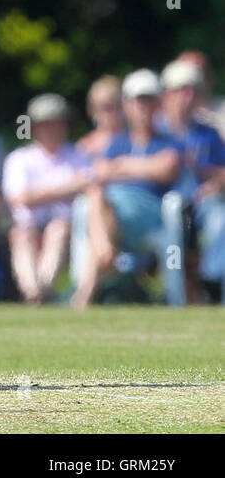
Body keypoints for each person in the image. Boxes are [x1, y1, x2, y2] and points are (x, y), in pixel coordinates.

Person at [72, 70, 182, 309]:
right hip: (112, 210)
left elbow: (168, 168)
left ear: (158, 103)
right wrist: (144, 167)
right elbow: (99, 173)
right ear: (128, 106)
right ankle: (103, 253)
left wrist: (121, 166)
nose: (142, 106)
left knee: (98, 203)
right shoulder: (118, 142)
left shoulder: (169, 141)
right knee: (96, 196)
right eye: (137, 100)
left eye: (148, 99)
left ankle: (86, 290)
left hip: (150, 214)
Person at [0, 94, 89, 304]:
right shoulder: (19, 158)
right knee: (23, 235)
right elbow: (18, 198)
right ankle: (33, 291)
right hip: (27, 225)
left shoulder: (78, 155)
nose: (51, 129)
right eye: (45, 124)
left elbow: (86, 186)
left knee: (58, 230)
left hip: (67, 225)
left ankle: (43, 288)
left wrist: (39, 195)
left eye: (56, 123)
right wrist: (65, 189)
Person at [157, 59, 225, 302]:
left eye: (192, 91)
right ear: (165, 95)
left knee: (220, 219)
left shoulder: (208, 133)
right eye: (180, 90)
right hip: (162, 206)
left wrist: (214, 182)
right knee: (173, 223)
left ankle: (211, 282)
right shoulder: (154, 130)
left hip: (202, 206)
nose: (187, 97)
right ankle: (175, 298)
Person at [77, 75, 123, 157]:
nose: (110, 111)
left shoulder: (137, 139)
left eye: (115, 105)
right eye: (104, 107)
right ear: (92, 109)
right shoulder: (84, 146)